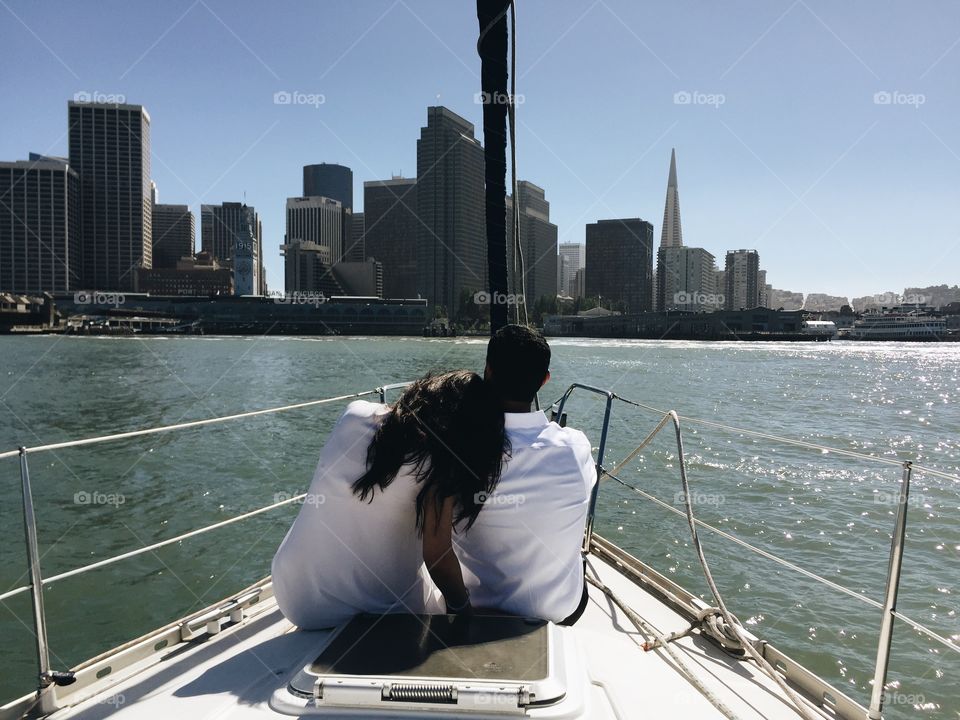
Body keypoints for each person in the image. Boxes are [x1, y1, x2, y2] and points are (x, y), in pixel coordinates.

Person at [272, 370, 507, 629]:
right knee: (440, 594)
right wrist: (463, 609)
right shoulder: (441, 465)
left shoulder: (353, 413)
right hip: (381, 614)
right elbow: (437, 557)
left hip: (295, 600)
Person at [453, 325, 596, 625]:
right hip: (558, 611)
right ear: (544, 381)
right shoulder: (576, 446)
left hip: (473, 607)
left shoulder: (456, 445)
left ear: (487, 371)